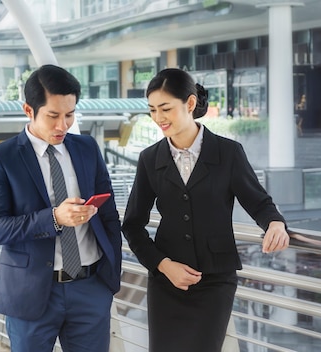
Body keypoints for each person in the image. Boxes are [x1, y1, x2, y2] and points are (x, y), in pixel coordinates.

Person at [121, 68, 290, 352]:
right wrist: (164, 265)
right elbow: (132, 225)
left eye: (166, 108)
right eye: (152, 110)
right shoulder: (150, 159)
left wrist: (275, 223)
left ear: (189, 104)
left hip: (215, 281)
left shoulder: (228, 153)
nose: (158, 118)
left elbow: (258, 201)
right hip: (167, 281)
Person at [0, 64, 122, 352]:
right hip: (32, 293)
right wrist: (55, 217)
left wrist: (108, 279)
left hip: (90, 287)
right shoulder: (1, 157)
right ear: (29, 110)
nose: (63, 126)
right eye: (53, 116)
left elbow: (109, 214)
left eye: (69, 115)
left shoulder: (86, 148)